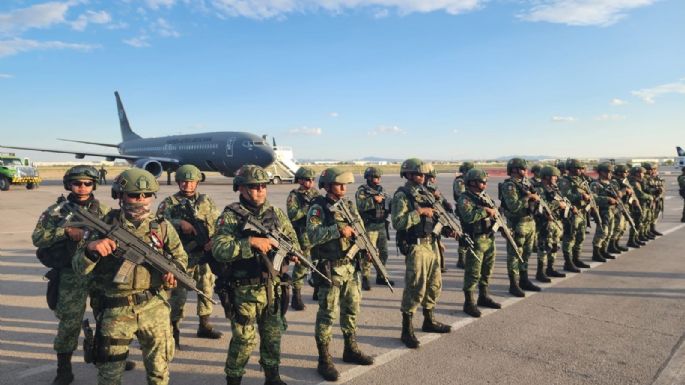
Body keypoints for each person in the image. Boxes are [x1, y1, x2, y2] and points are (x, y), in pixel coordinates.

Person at [73, 168, 188, 385]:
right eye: (135, 195)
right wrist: (91, 249)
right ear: (120, 196)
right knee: (109, 375)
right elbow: (78, 266)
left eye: (147, 195)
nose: (141, 200)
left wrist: (174, 271)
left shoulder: (161, 227)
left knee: (159, 372)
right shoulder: (103, 225)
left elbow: (180, 257)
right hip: (115, 308)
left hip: (154, 306)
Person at [211, 165, 294, 385]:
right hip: (244, 290)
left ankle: (272, 377)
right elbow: (219, 249)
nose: (259, 191)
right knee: (244, 340)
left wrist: (291, 252)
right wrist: (250, 243)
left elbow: (293, 240)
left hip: (272, 288)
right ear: (240, 188)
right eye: (253, 187)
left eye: (262, 186)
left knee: (272, 337)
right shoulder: (230, 216)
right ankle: (234, 379)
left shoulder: (275, 214)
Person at [32, 165, 109, 385]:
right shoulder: (56, 211)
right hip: (70, 275)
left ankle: (107, 359)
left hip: (98, 274)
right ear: (69, 185)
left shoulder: (103, 211)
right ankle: (63, 369)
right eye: (77, 183)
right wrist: (65, 231)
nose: (82, 188)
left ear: (94, 185)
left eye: (87, 183)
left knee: (106, 319)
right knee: (69, 324)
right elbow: (38, 238)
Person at [307, 167, 374, 381]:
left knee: (351, 309)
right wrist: (337, 231)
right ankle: (324, 359)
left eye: (345, 184)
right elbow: (312, 235)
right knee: (327, 314)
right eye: (338, 184)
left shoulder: (348, 206)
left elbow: (360, 230)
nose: (343, 188)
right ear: (327, 186)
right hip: (331, 269)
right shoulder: (318, 208)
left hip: (350, 267)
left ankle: (350, 348)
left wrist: (369, 250)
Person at [157, 164, 222, 347]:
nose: (187, 185)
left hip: (204, 252)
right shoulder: (169, 203)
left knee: (206, 288)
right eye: (183, 182)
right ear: (178, 182)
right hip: (182, 255)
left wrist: (213, 240)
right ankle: (174, 332)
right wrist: (180, 223)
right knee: (178, 294)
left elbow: (217, 221)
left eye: (191, 182)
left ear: (197, 182)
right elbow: (158, 222)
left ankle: (204, 325)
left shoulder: (206, 200)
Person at [392, 158, 451, 350]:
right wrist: (419, 213)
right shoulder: (402, 195)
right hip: (416, 246)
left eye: (424, 174)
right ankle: (406, 330)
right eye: (418, 174)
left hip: (432, 243)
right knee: (415, 287)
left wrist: (447, 229)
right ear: (408, 174)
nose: (422, 177)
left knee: (434, 285)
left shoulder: (426, 192)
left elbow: (436, 216)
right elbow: (398, 223)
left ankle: (429, 320)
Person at [457, 168, 501, 318]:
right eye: (483, 181)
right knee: (473, 272)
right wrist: (485, 211)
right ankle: (469, 302)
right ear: (473, 182)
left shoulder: (484, 196)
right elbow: (468, 217)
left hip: (489, 237)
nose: (485, 184)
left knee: (487, 270)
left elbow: (494, 211)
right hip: (475, 239)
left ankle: (483, 296)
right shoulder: (465, 199)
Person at [499, 158, 541, 296]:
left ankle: (524, 280)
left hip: (530, 221)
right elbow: (513, 206)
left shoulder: (525, 183)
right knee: (515, 254)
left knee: (526, 253)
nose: (526, 171)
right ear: (515, 170)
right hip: (517, 223)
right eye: (523, 169)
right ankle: (513, 284)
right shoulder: (509, 186)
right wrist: (528, 197)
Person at [286, 166, 321, 309]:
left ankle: (317, 290)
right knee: (302, 265)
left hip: (316, 233)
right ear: (300, 180)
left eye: (312, 179)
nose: (311, 182)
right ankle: (296, 296)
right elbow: (293, 215)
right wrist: (308, 208)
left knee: (318, 262)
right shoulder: (294, 195)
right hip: (302, 234)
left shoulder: (315, 193)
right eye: (307, 179)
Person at [355, 166, 393, 289]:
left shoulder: (381, 190)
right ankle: (365, 277)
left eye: (378, 177)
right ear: (369, 178)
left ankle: (381, 276)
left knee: (384, 253)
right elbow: (360, 206)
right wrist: (373, 200)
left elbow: (388, 203)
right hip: (369, 226)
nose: (377, 179)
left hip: (381, 225)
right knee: (368, 254)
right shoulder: (362, 191)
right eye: (375, 177)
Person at [558, 159, 593, 270]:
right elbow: (565, 196)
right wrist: (581, 196)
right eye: (576, 168)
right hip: (571, 213)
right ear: (570, 169)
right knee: (570, 238)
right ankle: (568, 262)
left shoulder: (581, 180)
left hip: (581, 212)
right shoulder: (565, 181)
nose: (579, 170)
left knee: (580, 237)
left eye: (581, 168)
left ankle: (576, 259)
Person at [535, 166, 568, 279]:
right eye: (553, 176)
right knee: (544, 247)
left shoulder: (554, 188)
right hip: (546, 223)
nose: (555, 178)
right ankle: (540, 272)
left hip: (556, 221)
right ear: (546, 177)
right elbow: (542, 206)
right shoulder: (539, 189)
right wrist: (558, 204)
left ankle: (550, 268)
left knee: (555, 245)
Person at [424, 164, 454, 273]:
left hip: (437, 219)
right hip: (428, 221)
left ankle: (440, 265)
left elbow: (442, 200)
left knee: (438, 243)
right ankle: (435, 267)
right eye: (431, 177)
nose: (433, 180)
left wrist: (446, 204)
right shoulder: (423, 190)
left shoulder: (433, 189)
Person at [589, 162, 619, 262]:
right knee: (602, 232)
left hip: (612, 211)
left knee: (609, 232)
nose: (610, 174)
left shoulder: (611, 183)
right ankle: (596, 253)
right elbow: (593, 197)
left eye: (611, 172)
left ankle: (603, 250)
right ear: (601, 172)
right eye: (607, 172)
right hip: (602, 211)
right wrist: (607, 199)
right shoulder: (595, 184)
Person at [452, 161, 474, 269]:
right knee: (465, 233)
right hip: (463, 210)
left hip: (469, 210)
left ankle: (467, 256)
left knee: (470, 233)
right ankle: (461, 259)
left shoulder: (468, 181)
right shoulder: (460, 181)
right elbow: (461, 195)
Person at [608, 164, 633, 253]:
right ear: (619, 172)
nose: (627, 174)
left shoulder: (624, 181)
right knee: (617, 226)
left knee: (623, 227)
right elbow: (617, 194)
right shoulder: (614, 181)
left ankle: (616, 243)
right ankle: (611, 245)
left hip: (624, 205)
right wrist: (625, 190)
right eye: (626, 172)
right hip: (617, 207)